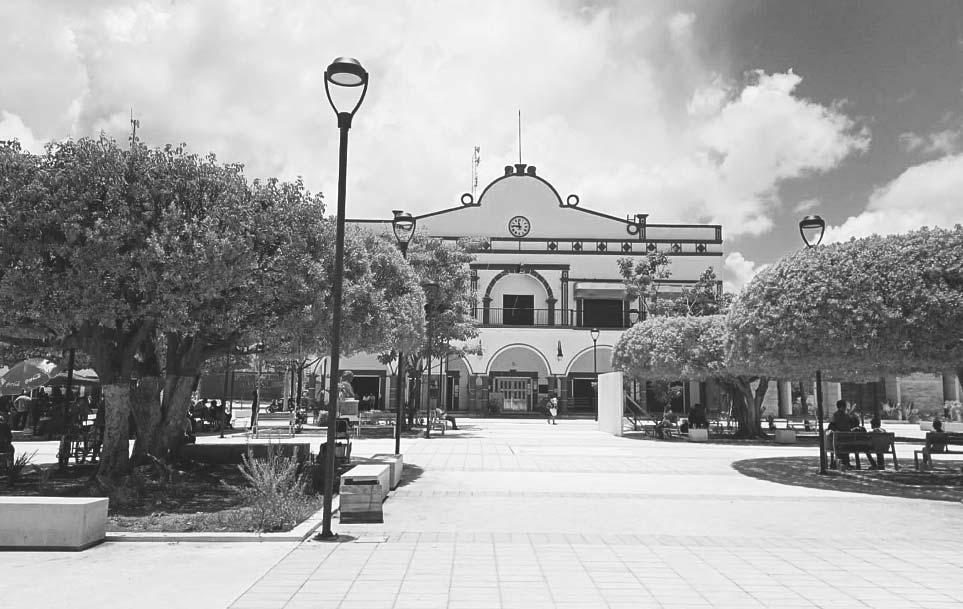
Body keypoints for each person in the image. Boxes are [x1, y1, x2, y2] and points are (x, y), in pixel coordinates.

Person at [828, 399, 854, 468]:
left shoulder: (835, 415)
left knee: (839, 444)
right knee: (845, 445)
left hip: (838, 438)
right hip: (847, 439)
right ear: (843, 407)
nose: (846, 408)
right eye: (845, 406)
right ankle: (846, 462)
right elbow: (852, 424)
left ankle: (841, 462)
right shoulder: (847, 416)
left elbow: (831, 426)